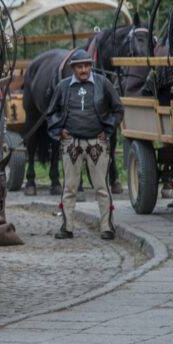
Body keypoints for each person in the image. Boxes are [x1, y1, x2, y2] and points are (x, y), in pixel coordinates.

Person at [45, 48, 124, 240]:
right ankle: (67, 227)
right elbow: (51, 112)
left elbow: (118, 109)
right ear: (73, 68)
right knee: (70, 187)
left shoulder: (103, 83)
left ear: (91, 66)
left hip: (97, 142)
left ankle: (106, 226)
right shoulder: (63, 87)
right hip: (71, 142)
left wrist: (108, 130)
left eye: (87, 65)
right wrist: (59, 130)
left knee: (101, 187)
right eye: (80, 66)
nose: (84, 70)